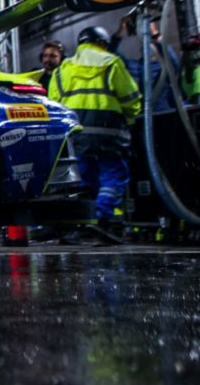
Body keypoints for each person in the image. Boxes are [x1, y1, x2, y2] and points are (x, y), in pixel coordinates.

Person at [48, 26, 142, 244]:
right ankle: (101, 218)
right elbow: (131, 98)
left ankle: (82, 225)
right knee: (114, 175)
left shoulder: (63, 69)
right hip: (109, 132)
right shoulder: (112, 62)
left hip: (77, 133)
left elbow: (54, 102)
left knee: (83, 179)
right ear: (101, 43)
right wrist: (130, 118)